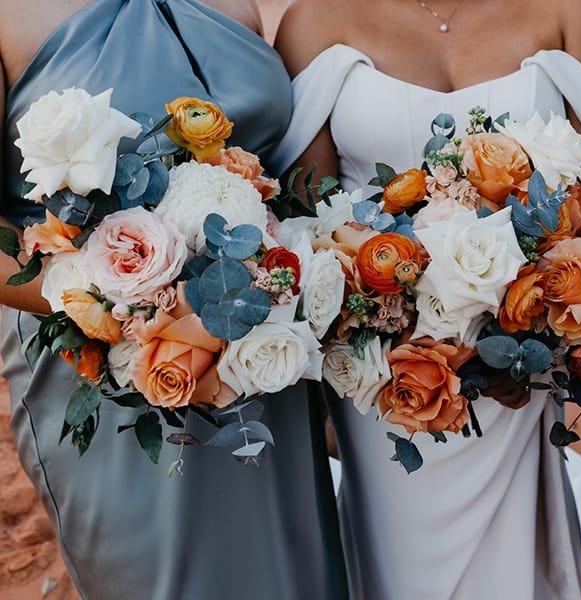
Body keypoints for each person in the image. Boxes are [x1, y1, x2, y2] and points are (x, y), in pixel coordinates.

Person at [271, 0, 581, 597]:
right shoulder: (316, 19)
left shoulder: (570, 10)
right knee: (400, 558)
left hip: (519, 351)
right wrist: (388, 316)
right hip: (384, 372)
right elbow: (310, 215)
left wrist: (522, 326)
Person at [0, 1, 347, 598]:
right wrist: (128, 302)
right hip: (107, 370)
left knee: (291, 572)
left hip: (259, 353)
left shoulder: (244, 6)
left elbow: (297, 180)